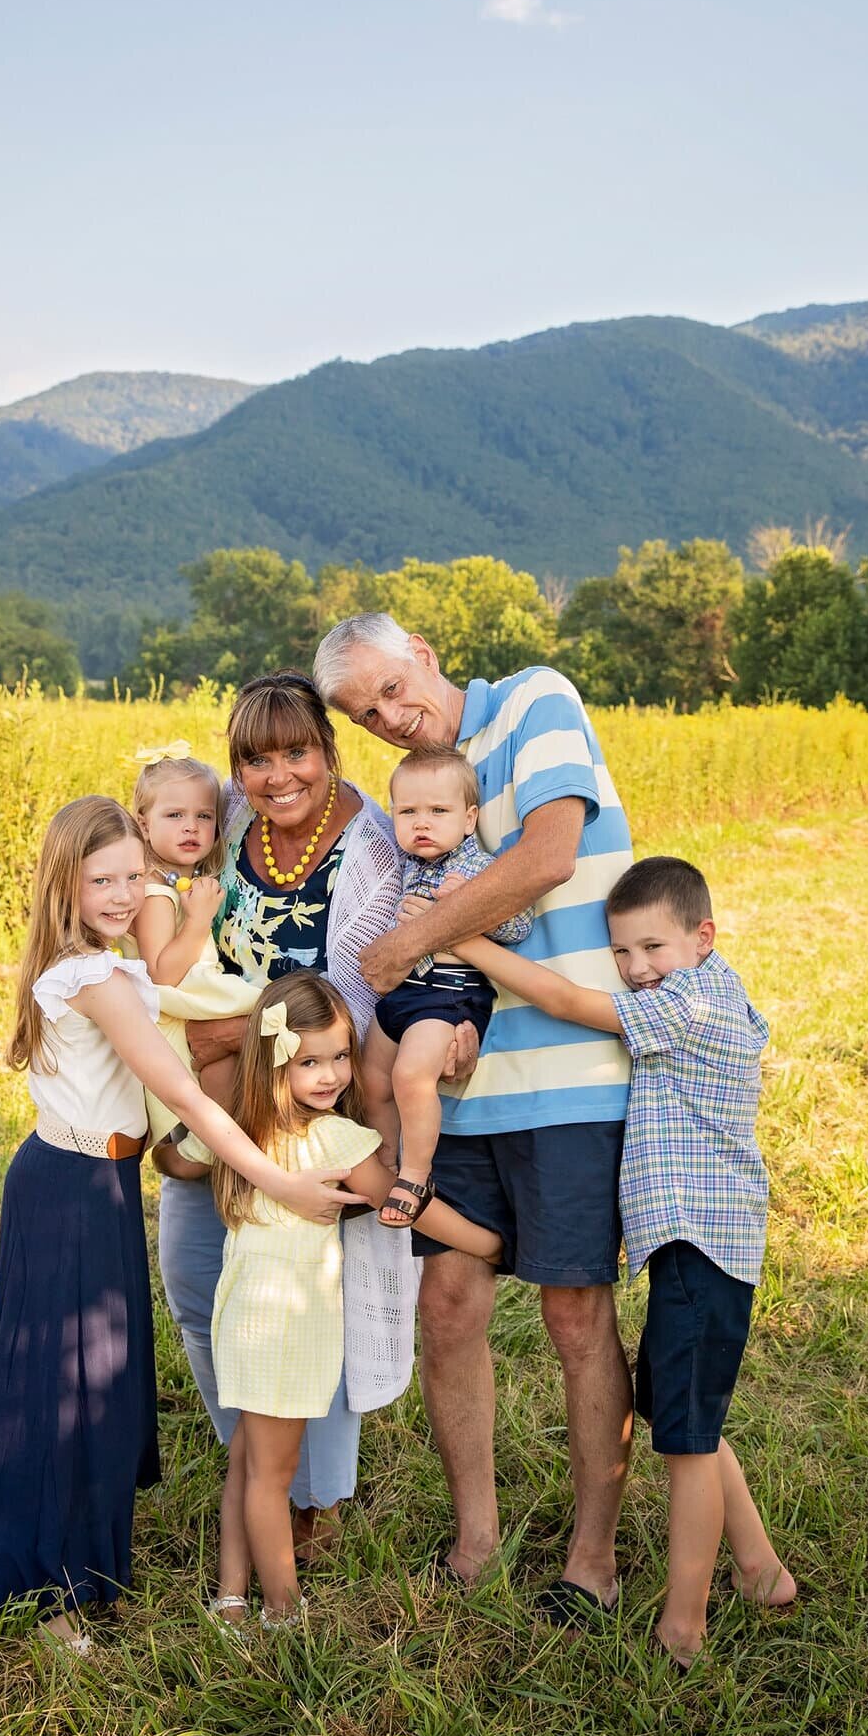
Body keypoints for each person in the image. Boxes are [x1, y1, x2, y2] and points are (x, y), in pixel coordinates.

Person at [0, 796, 350, 1654]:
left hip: (98, 1180)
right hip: (70, 1184)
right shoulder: (91, 976)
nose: (126, 892)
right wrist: (280, 1177)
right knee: (69, 1386)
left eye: (135, 874)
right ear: (66, 880)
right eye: (103, 878)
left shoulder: (106, 962)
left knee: (96, 1378)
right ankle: (52, 1594)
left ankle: (80, 1571)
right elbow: (179, 1089)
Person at [313, 614, 634, 1620]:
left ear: (419, 648)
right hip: (454, 1091)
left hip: (571, 1069)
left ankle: (592, 1553)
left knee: (575, 1313)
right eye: (364, 713)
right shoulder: (408, 794)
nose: (387, 715)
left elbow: (546, 855)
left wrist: (411, 942)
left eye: (388, 687)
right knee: (448, 1308)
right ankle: (476, 1536)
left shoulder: (535, 698)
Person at [156, 673, 479, 1559]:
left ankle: (318, 1496)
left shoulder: (373, 840)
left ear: (329, 753)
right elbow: (151, 874)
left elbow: (370, 977)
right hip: (214, 1096)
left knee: (315, 1303)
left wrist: (241, 1032)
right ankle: (255, 1465)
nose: (277, 773)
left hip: (314, 1102)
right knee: (195, 1281)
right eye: (256, 757)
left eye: (296, 750)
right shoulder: (222, 823)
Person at [456, 856, 796, 1662]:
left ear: (702, 937)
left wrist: (465, 935)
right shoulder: (699, 986)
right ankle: (761, 1569)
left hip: (702, 1239)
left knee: (683, 1441)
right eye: (623, 954)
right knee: (685, 1414)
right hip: (693, 1244)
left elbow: (567, 1001)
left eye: (654, 947)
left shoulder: (691, 1000)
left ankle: (684, 1626)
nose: (639, 969)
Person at [184, 971, 503, 1629]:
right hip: (284, 1327)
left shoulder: (244, 1132)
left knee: (248, 1459)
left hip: (243, 1314)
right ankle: (282, 1606)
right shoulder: (329, 1138)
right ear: (275, 1062)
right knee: (272, 1476)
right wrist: (489, 1242)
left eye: (338, 1055)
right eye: (309, 1061)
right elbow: (401, 1199)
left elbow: (179, 1158)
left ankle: (232, 1594)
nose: (330, 1075)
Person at [362, 746, 531, 1230]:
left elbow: (519, 924)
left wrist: (467, 908)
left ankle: (417, 1175)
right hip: (401, 995)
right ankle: (389, 1162)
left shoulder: (478, 869)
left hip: (450, 993)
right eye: (408, 811)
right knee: (373, 1080)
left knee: (410, 1075)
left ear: (469, 817)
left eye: (438, 811)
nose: (422, 823)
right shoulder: (403, 859)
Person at [127, 742, 232, 1164]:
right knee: (261, 1024)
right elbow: (160, 975)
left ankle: (218, 1144)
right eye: (175, 815)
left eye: (203, 816)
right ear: (144, 823)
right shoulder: (156, 892)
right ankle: (203, 1148)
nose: (191, 827)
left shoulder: (177, 882)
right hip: (173, 1009)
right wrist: (198, 921)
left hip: (191, 997)